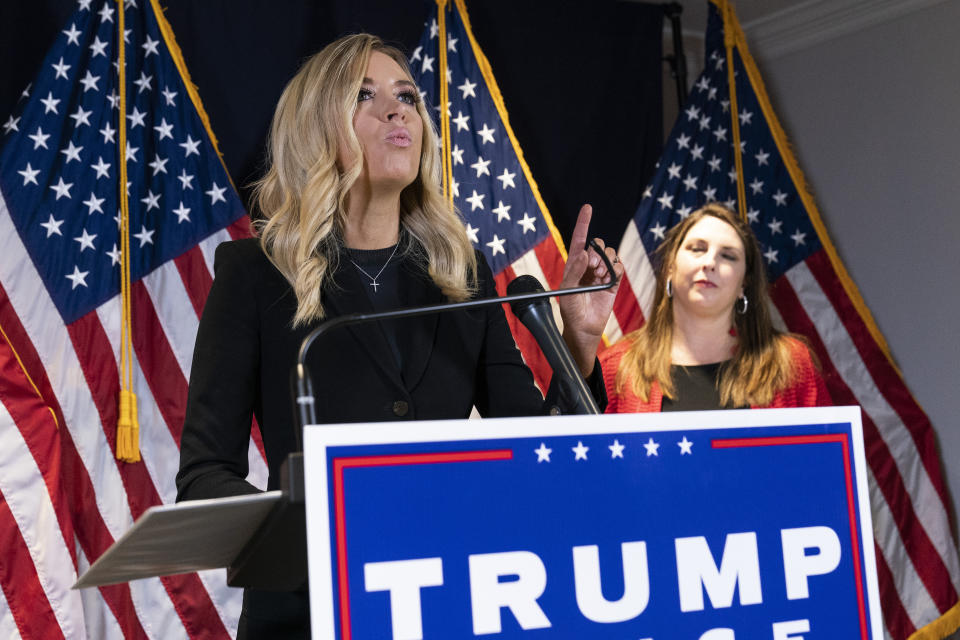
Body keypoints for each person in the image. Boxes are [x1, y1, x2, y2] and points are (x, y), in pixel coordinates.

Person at [175, 34, 622, 638]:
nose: (398, 109)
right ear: (315, 127)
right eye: (365, 96)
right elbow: (205, 475)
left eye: (407, 95)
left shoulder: (461, 272)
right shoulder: (254, 275)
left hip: (447, 598)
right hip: (311, 608)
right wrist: (313, 519)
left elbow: (537, 454)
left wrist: (579, 340)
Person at [602, 203, 830, 412]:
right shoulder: (617, 368)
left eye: (728, 256)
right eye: (697, 249)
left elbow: (826, 454)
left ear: (744, 283)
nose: (710, 263)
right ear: (670, 268)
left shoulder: (790, 363)